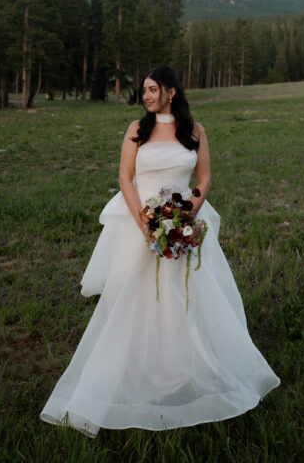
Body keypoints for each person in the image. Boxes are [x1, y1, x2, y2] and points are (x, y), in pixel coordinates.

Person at [40, 65, 279, 436]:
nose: (146, 96)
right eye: (144, 91)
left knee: (186, 293)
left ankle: (182, 365)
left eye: (152, 90)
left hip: (183, 223)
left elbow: (203, 180)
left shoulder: (194, 132)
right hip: (143, 222)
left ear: (171, 91)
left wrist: (184, 221)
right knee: (134, 297)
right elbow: (124, 178)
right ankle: (137, 367)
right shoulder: (138, 130)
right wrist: (147, 225)